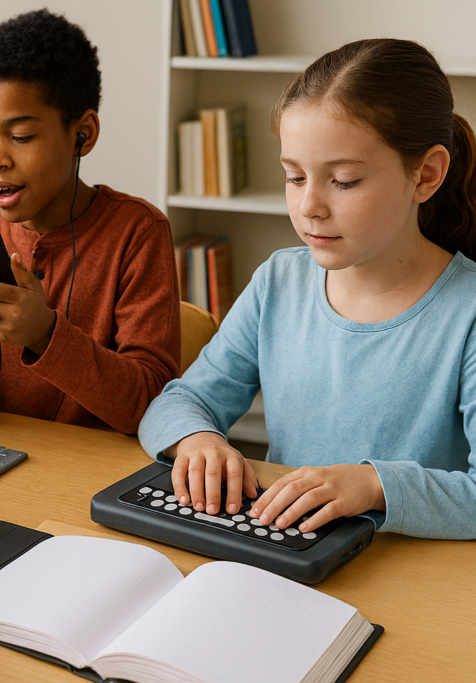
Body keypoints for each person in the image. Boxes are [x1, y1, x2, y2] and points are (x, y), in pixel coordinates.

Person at [139, 39, 476, 539]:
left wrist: (374, 484)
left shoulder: (465, 312)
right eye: (294, 177)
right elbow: (179, 401)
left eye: (343, 181)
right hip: (287, 556)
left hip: (410, 577)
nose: (309, 206)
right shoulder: (280, 280)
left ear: (425, 175)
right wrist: (198, 440)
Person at [0, 9, 181, 434]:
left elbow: (148, 405)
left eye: (21, 136)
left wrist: (45, 333)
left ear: (82, 133)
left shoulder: (138, 233)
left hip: (94, 475)